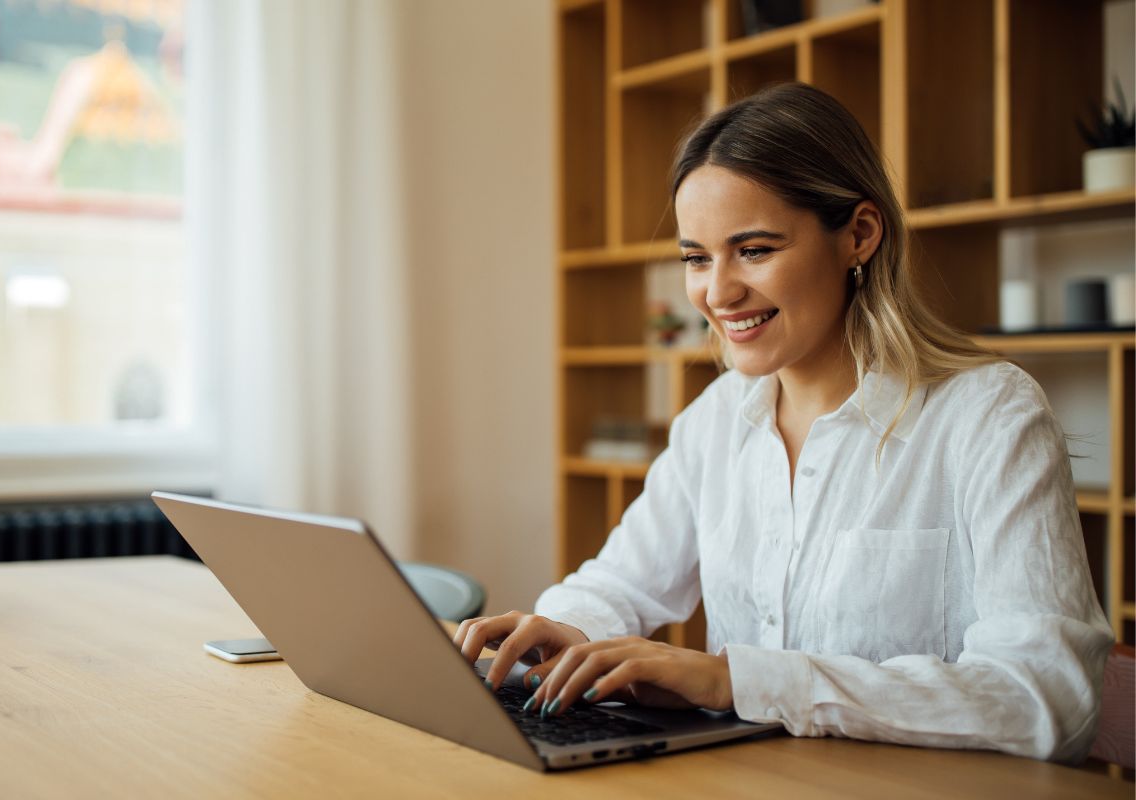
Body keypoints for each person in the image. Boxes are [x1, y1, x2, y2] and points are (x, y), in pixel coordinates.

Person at [455, 82, 1113, 763]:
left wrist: (737, 680)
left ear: (859, 234)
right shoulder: (714, 422)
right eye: (696, 258)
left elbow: (1049, 697)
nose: (717, 292)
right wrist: (559, 630)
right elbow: (622, 584)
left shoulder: (990, 417)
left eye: (755, 250)